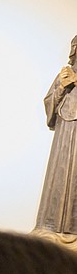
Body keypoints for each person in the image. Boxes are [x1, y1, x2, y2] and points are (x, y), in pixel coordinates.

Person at [35, 33, 77, 237]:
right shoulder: (65, 73)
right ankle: (52, 228)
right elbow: (49, 102)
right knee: (58, 178)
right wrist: (62, 85)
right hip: (64, 133)